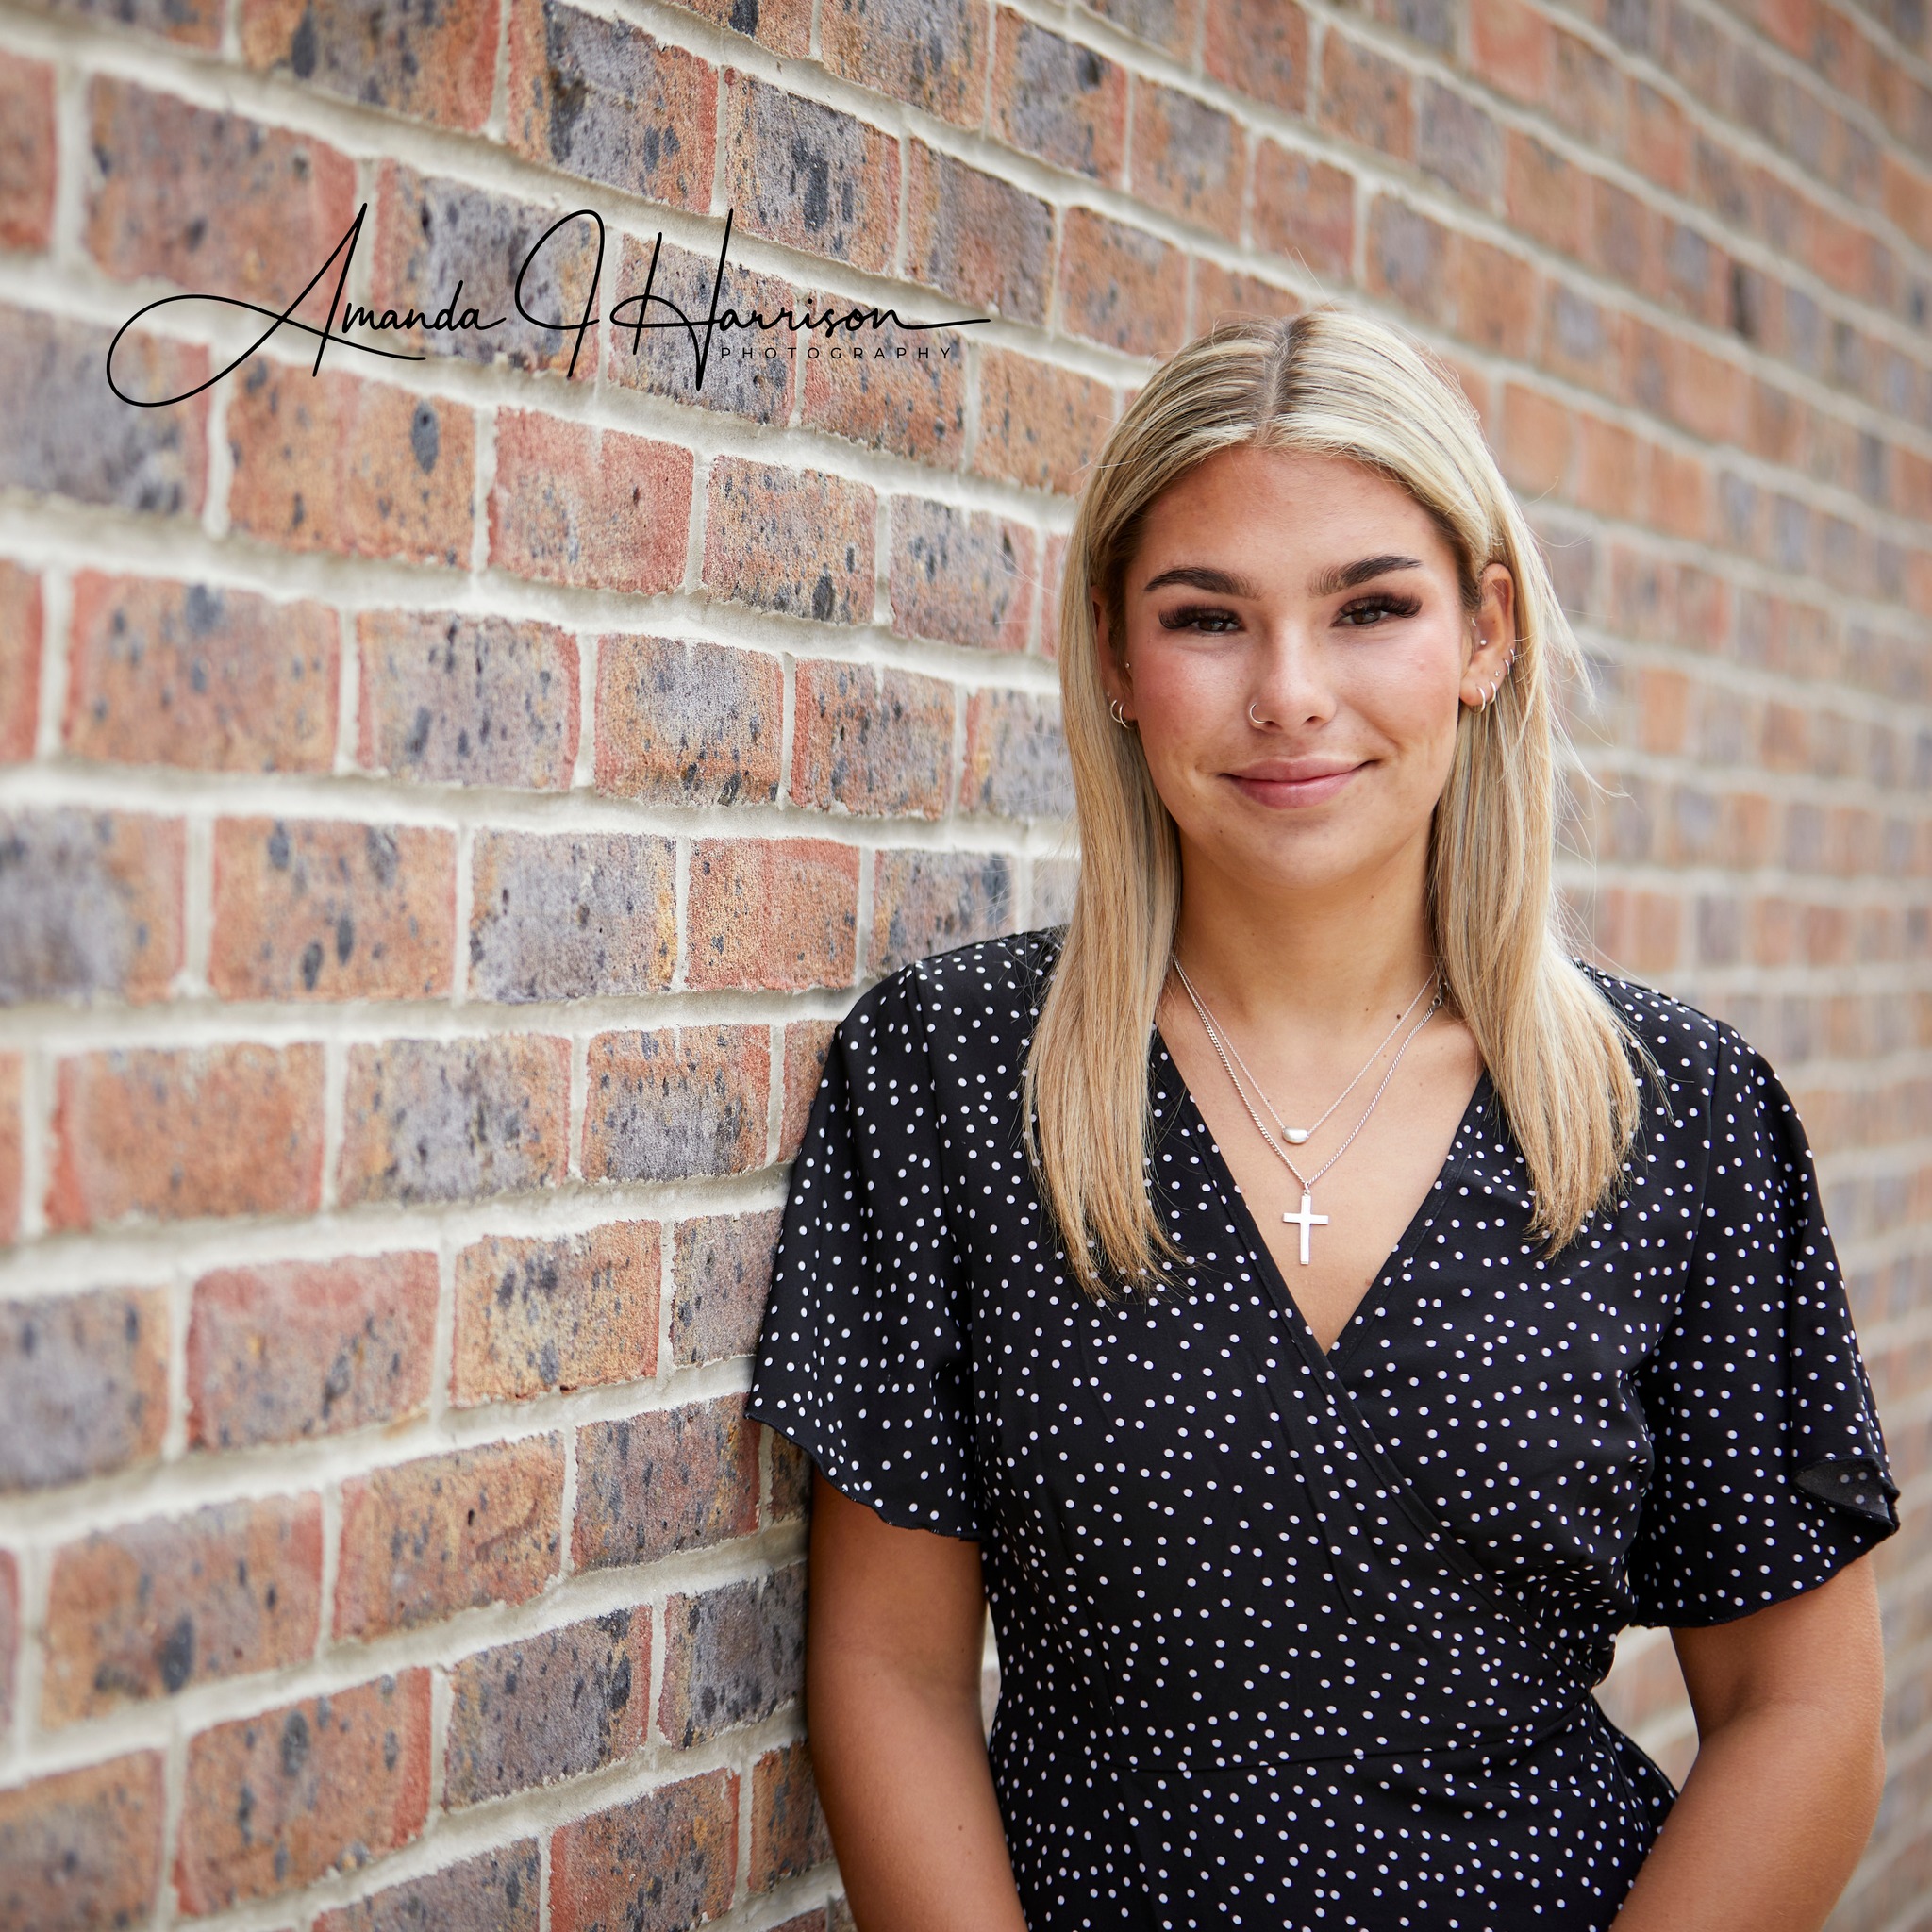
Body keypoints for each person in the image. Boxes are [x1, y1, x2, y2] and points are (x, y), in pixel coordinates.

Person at [745, 305, 1900, 1932]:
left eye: (1371, 608)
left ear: (1486, 635)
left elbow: (1800, 1705)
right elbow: (888, 1668)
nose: (1291, 694)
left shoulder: (1679, 1116)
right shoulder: (949, 1077)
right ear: (1112, 657)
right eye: (1208, 618)